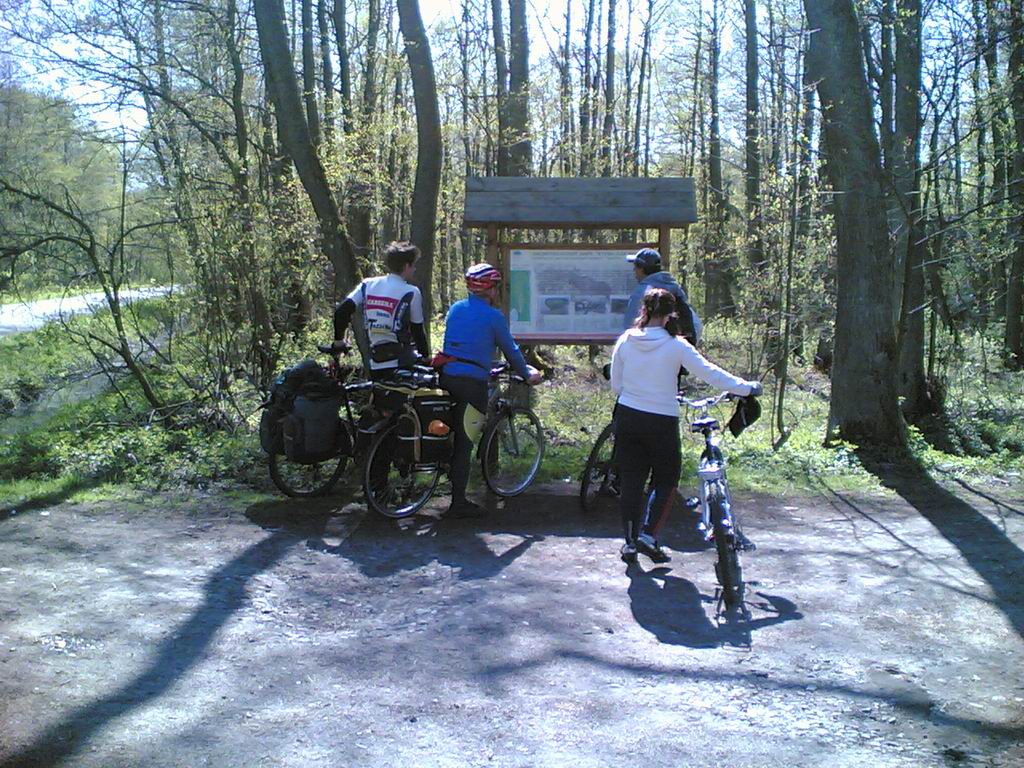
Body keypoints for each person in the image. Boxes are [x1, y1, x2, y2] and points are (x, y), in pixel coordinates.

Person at [611, 288, 761, 564]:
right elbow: (711, 373)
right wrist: (746, 388)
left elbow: (616, 384)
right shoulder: (676, 345)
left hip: (628, 415)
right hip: (661, 420)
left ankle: (630, 543)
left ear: (644, 310)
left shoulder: (626, 340)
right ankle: (648, 535)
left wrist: (636, 394)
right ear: (671, 314)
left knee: (631, 481)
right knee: (666, 479)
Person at [436, 263, 543, 518]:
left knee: (450, 431)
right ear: (491, 290)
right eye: (495, 286)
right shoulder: (493, 317)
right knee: (464, 442)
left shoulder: (456, 309)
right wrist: (527, 374)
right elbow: (511, 351)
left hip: (447, 377)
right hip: (471, 384)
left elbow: (463, 344)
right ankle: (457, 503)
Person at [332, 241, 429, 380]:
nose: (414, 269)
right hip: (402, 363)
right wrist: (426, 357)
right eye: (413, 265)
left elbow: (341, 311)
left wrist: (339, 341)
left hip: (376, 363)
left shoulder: (367, 285)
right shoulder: (411, 292)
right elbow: (417, 330)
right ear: (406, 266)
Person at [623, 247, 702, 346]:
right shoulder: (675, 288)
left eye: (636, 267)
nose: (634, 270)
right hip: (677, 348)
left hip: (650, 350)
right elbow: (695, 324)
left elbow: (629, 327)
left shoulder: (642, 292)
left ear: (642, 268)